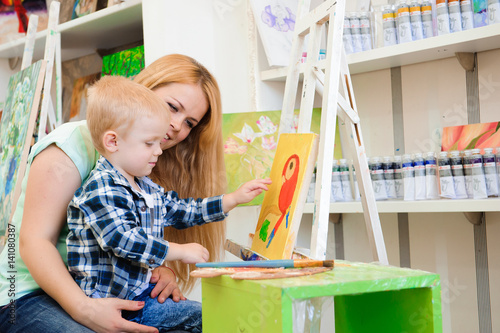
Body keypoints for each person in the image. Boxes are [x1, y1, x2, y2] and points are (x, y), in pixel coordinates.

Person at [0, 54, 239, 332]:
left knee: (210, 320)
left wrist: (158, 270)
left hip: (105, 291)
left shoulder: (146, 159)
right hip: (27, 296)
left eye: (189, 123)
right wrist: (85, 310)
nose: (176, 125)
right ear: (144, 89)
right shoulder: (70, 145)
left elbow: (135, 239)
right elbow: (33, 242)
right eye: (172, 107)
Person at [66, 76, 270, 332]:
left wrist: (232, 199)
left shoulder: (144, 185)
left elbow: (182, 210)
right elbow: (123, 239)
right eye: (149, 143)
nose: (159, 151)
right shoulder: (102, 187)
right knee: (204, 318)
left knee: (208, 314)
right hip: (110, 304)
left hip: (138, 294)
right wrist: (179, 251)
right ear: (113, 142)